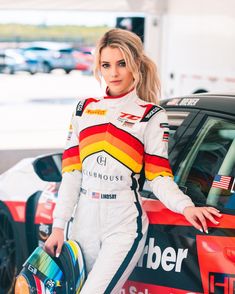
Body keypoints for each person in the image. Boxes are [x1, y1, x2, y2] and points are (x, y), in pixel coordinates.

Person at [44, 28, 221, 293]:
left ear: (135, 65)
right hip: (82, 222)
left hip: (123, 223)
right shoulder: (84, 109)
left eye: (121, 64)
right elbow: (71, 173)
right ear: (99, 68)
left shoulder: (151, 115)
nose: (113, 73)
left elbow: (158, 176)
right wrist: (59, 226)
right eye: (106, 65)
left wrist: (186, 207)